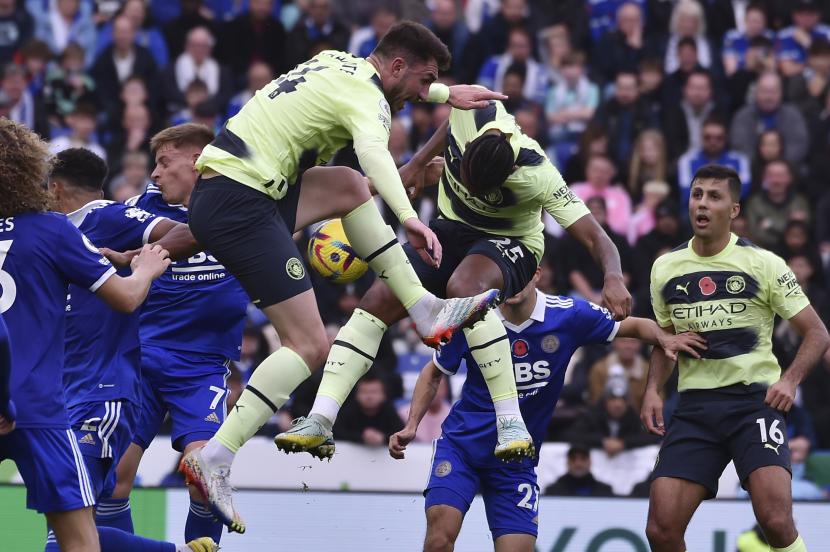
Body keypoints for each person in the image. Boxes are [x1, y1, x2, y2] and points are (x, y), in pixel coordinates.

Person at [175, 21, 508, 533]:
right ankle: (216, 457)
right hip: (244, 201)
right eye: (423, 82)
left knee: (349, 186)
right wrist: (409, 217)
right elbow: (375, 152)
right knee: (308, 344)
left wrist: (445, 92)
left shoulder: (338, 61)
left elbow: (388, 112)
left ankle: (423, 309)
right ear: (396, 67)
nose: (422, 95)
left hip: (242, 186)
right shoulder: (369, 100)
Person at [278, 97, 631, 467]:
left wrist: (613, 276)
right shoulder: (472, 117)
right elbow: (451, 120)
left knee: (464, 289)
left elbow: (595, 236)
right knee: (377, 300)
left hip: (512, 244)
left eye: (484, 193)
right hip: (450, 231)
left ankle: (511, 423)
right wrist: (416, 164)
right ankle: (320, 419)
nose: (473, 194)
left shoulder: (538, 173)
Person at [0, 119, 215, 552]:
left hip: (82, 392)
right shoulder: (52, 230)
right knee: (71, 543)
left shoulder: (97, 216)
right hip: (41, 407)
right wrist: (148, 266)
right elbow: (128, 296)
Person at [389, 269, 703, 552]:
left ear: (537, 273)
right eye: (506, 273)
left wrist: (663, 336)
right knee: (440, 538)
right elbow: (433, 372)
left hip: (515, 461)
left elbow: (633, 326)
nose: (514, 281)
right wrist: (412, 424)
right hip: (462, 448)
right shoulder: (473, 316)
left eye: (522, 272)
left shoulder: (568, 315)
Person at [642, 164, 830, 552]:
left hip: (753, 406)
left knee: (776, 522)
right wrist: (653, 390)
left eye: (714, 196)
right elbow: (667, 341)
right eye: (697, 195)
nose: (703, 204)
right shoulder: (665, 268)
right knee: (661, 529)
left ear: (734, 210)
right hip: (695, 408)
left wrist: (790, 380)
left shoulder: (764, 264)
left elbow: (817, 333)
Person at [102, 124, 249, 546]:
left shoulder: (246, 204)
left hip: (201, 366)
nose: (155, 174)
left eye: (165, 162)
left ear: (200, 159)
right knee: (113, 482)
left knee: (204, 476)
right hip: (138, 361)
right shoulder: (137, 211)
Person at [544, 444, 615, 497]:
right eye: (573, 459)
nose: (578, 464)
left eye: (583, 458)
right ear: (567, 462)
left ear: (590, 462)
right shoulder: (553, 492)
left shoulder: (605, 491)